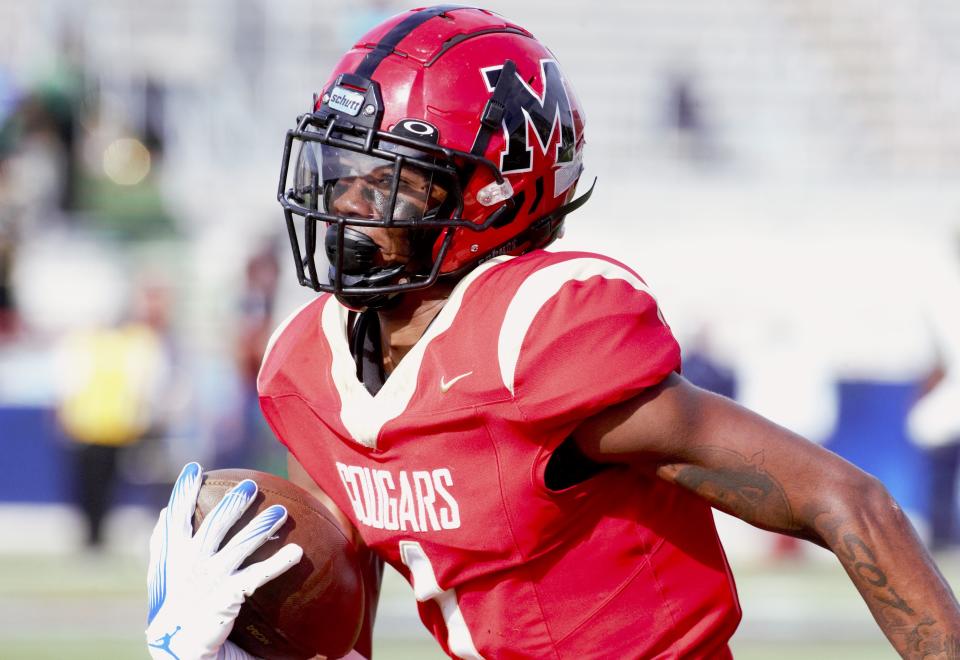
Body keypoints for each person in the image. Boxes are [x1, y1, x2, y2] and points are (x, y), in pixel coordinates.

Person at [146, 7, 960, 659]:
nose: (350, 204)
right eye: (342, 170)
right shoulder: (308, 371)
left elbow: (844, 498)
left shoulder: (534, 339)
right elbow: (345, 643)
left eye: (390, 179)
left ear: (495, 192)